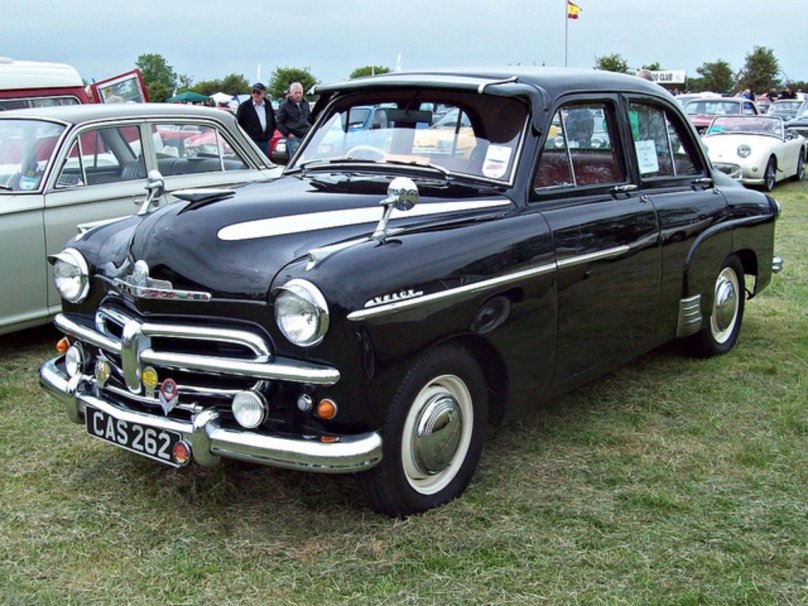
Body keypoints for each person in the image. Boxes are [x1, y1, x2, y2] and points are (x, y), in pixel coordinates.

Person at [236, 83, 276, 156]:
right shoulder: (244, 107)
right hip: (251, 142)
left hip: (265, 141)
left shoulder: (268, 105)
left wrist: (270, 134)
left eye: (258, 92)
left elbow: (273, 121)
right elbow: (238, 124)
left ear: (263, 94)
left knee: (265, 164)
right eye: (253, 92)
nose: (255, 94)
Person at [277, 82, 311, 157]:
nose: (298, 95)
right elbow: (278, 123)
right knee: (297, 157)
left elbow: (309, 118)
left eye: (300, 93)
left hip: (305, 134)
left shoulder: (305, 103)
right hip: (293, 136)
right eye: (296, 93)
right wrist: (288, 134)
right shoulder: (284, 105)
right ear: (291, 93)